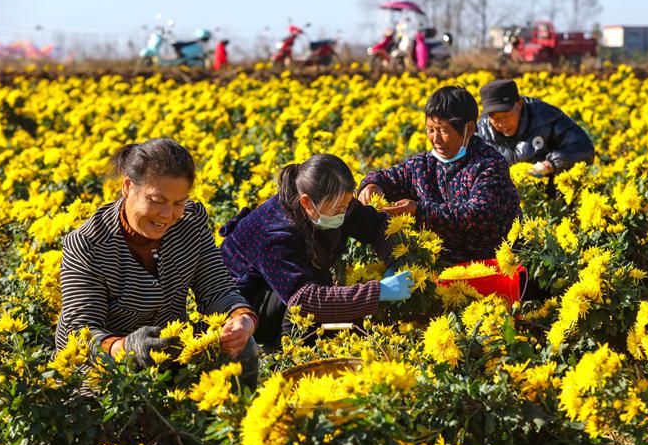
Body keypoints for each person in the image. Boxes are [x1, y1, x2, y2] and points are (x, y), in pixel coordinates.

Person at [55, 138, 258, 376]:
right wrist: (127, 348)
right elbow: (82, 334)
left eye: (178, 202)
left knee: (242, 346)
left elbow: (217, 289)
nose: (167, 214)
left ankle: (236, 412)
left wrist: (243, 319)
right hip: (109, 372)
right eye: (156, 200)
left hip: (172, 351)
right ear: (128, 186)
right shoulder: (88, 245)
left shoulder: (189, 223)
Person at [219, 153, 413, 350]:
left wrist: (395, 261)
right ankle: (287, 353)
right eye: (338, 208)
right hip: (244, 308)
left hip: (285, 289)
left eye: (346, 206)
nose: (344, 214)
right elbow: (304, 300)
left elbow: (378, 225)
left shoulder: (333, 199)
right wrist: (377, 292)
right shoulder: (274, 234)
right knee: (314, 286)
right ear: (306, 202)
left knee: (323, 283)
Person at [358, 85, 520, 265]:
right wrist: (371, 185)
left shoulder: (489, 164)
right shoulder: (423, 165)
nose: (436, 139)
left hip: (494, 264)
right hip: (441, 263)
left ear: (469, 128)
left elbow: (478, 214)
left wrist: (420, 211)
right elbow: (386, 177)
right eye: (430, 130)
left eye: (444, 131)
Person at [476, 79, 595, 181]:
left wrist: (550, 164)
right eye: (494, 118)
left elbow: (584, 148)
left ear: (519, 104)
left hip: (550, 196)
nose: (501, 123)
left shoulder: (546, 116)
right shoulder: (480, 133)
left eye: (506, 116)